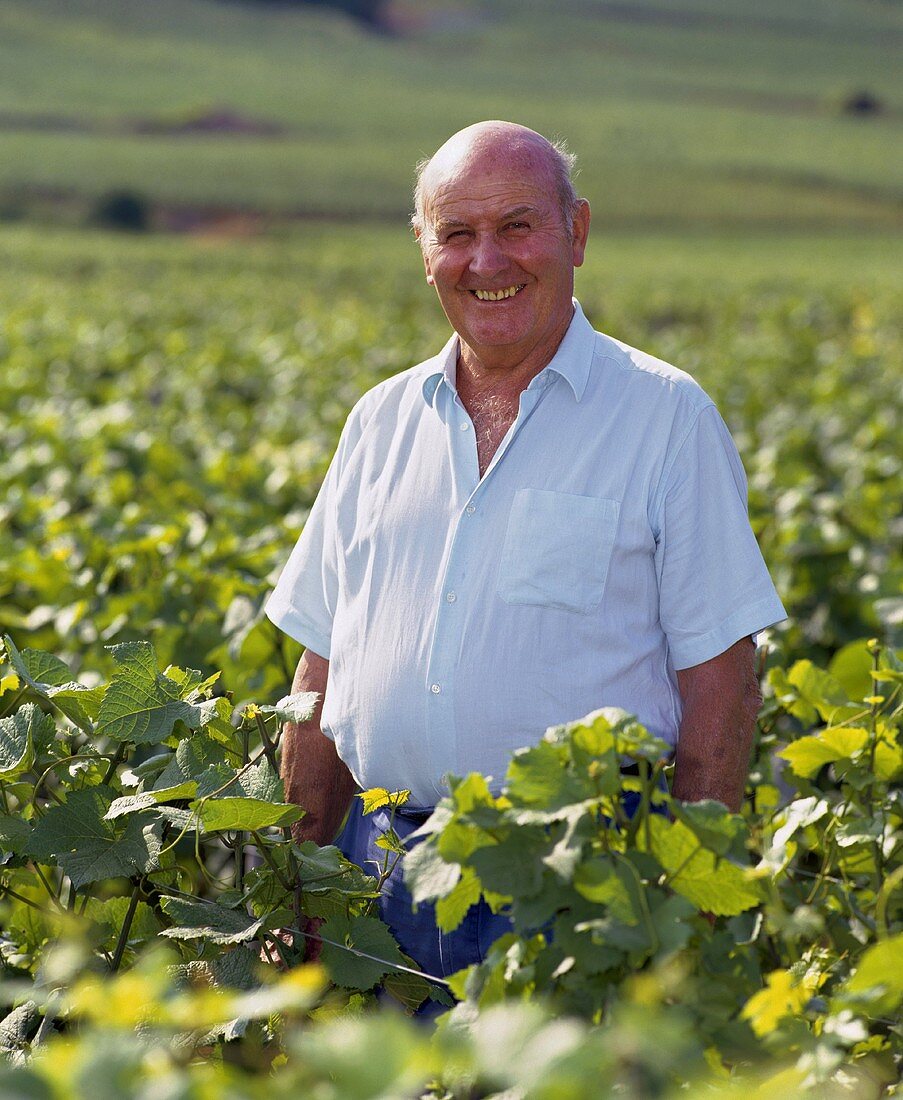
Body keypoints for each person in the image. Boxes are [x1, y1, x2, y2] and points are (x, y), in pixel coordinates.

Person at [265, 120, 786, 980]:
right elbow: (320, 674)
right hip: (375, 880)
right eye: (457, 235)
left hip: (578, 885)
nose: (487, 263)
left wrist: (677, 913)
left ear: (575, 231)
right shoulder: (379, 421)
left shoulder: (665, 417)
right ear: (424, 251)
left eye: (516, 226)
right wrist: (299, 888)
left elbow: (721, 685)